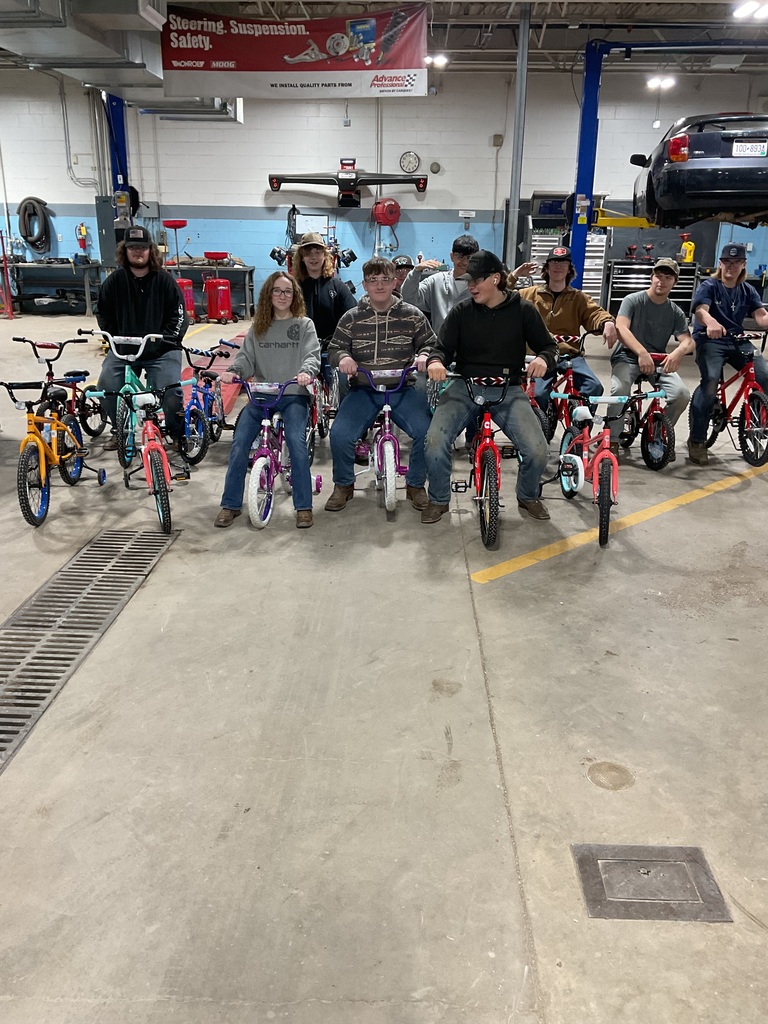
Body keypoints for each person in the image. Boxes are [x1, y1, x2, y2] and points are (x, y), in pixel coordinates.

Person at [422, 250, 558, 524]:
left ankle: (528, 495)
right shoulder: (462, 312)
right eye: (467, 281)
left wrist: (544, 359)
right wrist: (436, 361)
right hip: (465, 386)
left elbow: (549, 346)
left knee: (537, 450)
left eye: (476, 281)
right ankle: (438, 499)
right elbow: (442, 349)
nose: (470, 286)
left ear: (496, 279)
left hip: (509, 389)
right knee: (434, 443)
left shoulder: (523, 311)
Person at [324, 257, 437, 512]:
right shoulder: (351, 318)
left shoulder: (412, 315)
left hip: (402, 388)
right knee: (340, 435)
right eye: (373, 280)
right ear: (364, 284)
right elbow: (336, 348)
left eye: (385, 279)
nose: (379, 285)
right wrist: (344, 357)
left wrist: (423, 355)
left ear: (395, 280)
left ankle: (415, 484)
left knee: (427, 433)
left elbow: (431, 343)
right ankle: (344, 485)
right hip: (365, 388)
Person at [215, 271, 320, 529]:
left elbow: (312, 354)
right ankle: (230, 504)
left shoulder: (304, 324)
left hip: (293, 394)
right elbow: (245, 358)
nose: (282, 296)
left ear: (294, 295)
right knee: (239, 442)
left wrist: (306, 372)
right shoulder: (259, 327)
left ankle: (303, 506)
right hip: (261, 393)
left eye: (288, 291)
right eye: (277, 290)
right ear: (268, 295)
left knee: (296, 443)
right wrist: (235, 372)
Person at [96, 225, 188, 454]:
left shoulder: (165, 282)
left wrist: (166, 341)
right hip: (124, 350)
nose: (138, 252)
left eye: (143, 247)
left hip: (162, 350)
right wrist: (116, 338)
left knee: (171, 392)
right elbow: (103, 313)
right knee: (106, 386)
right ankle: (120, 430)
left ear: (151, 251)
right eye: (132, 247)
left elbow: (179, 317)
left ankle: (176, 434)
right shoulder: (114, 282)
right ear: (124, 251)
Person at [508, 245, 617, 411]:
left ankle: (579, 427)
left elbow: (595, 313)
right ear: (547, 267)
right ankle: (541, 425)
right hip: (540, 355)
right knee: (537, 394)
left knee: (594, 387)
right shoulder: (529, 294)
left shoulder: (579, 298)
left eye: (563, 263)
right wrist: (515, 276)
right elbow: (500, 296)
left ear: (569, 269)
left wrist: (607, 322)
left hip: (570, 355)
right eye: (554, 262)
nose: (558, 266)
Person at [688, 241, 768, 465]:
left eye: (736, 262)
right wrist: (711, 322)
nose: (731, 266)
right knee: (711, 381)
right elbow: (701, 311)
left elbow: (760, 316)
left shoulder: (747, 290)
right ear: (720, 264)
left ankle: (758, 423)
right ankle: (697, 441)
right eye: (726, 262)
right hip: (710, 340)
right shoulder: (709, 286)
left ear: (743, 264)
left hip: (737, 340)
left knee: (763, 376)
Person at [610, 257, 694, 456]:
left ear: (674, 282)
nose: (661, 281)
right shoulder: (633, 300)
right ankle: (612, 439)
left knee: (681, 394)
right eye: (658, 276)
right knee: (620, 389)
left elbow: (688, 341)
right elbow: (621, 328)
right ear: (651, 277)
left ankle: (658, 433)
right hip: (628, 357)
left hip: (657, 361)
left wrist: (678, 352)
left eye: (667, 277)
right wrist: (641, 352)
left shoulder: (675, 312)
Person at [400, 234, 479, 333]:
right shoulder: (436, 281)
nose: (464, 262)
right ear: (451, 256)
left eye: (469, 258)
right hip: (440, 345)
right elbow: (408, 298)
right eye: (460, 256)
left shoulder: (482, 285)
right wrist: (416, 271)